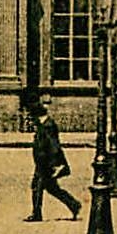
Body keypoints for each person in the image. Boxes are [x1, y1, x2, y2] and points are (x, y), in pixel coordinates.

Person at [26, 95, 80, 223]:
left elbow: (53, 146)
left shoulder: (47, 126)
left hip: (46, 164)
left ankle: (37, 214)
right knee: (51, 188)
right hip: (43, 162)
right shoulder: (44, 124)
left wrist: (56, 164)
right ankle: (74, 204)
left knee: (37, 186)